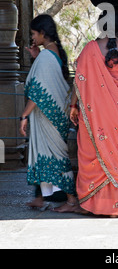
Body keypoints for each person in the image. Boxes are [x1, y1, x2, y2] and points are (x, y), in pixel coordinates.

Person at [69, 14, 118, 217]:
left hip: (93, 115)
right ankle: (114, 206)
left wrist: (73, 106)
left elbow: (79, 81)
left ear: (100, 26)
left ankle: (92, 205)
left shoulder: (90, 49)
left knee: (91, 157)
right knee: (114, 156)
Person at [19, 14, 77, 211]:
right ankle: (40, 198)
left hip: (48, 116)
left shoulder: (46, 57)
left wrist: (24, 115)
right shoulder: (52, 54)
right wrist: (36, 57)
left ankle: (71, 200)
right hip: (56, 116)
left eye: (34, 34)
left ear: (43, 33)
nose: (32, 38)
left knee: (57, 156)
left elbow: (38, 92)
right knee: (48, 153)